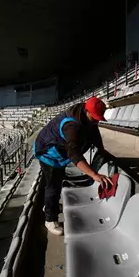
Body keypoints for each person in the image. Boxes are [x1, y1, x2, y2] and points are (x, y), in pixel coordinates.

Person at [34, 97, 113, 235]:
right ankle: (50, 219)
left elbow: (94, 132)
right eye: (94, 118)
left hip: (58, 150)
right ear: (86, 111)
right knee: (53, 185)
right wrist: (94, 175)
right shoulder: (72, 126)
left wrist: (101, 149)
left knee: (56, 182)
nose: (95, 121)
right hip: (48, 153)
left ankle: (49, 206)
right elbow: (74, 155)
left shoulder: (86, 116)